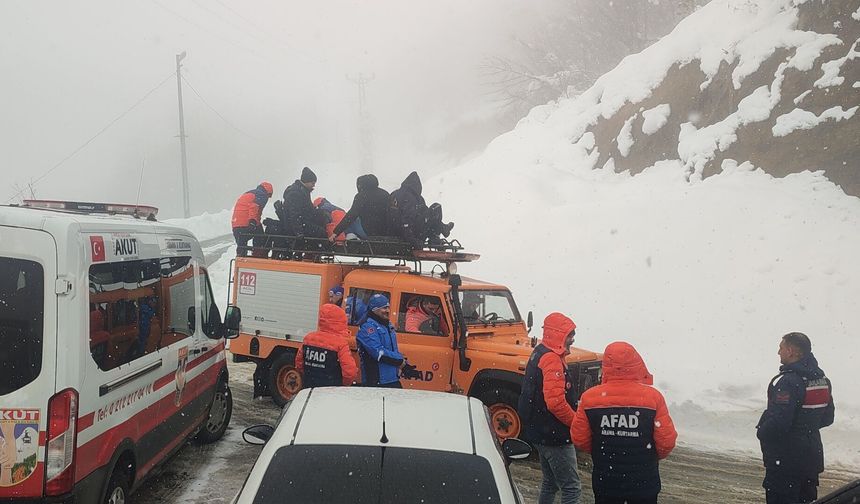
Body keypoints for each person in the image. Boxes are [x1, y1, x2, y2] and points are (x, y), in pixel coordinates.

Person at [571, 341, 677, 504]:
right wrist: (648, 456)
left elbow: (579, 438)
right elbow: (666, 442)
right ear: (636, 363)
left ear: (606, 365)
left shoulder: (589, 398)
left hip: (606, 480)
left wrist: (601, 451)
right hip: (644, 482)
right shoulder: (653, 397)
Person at [756, 332, 834, 504]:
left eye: (781, 348)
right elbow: (828, 418)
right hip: (810, 461)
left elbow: (779, 424)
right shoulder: (823, 381)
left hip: (785, 462)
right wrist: (806, 427)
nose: (778, 352)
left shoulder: (788, 382)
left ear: (791, 351)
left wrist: (761, 431)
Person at [517, 312, 581, 504]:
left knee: (550, 483)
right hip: (554, 435)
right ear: (559, 335)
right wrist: (576, 423)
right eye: (570, 334)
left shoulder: (539, 351)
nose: (573, 339)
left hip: (540, 430)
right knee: (571, 488)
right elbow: (555, 403)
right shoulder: (552, 359)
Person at [294, 304, 359, 388]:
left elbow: (299, 364)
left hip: (309, 388)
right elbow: (350, 372)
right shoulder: (340, 343)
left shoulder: (308, 339)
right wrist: (344, 384)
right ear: (341, 321)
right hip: (330, 390)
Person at [388, 171, 453, 248]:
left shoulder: (395, 194)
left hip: (393, 231)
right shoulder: (411, 197)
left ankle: (442, 228)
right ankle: (436, 235)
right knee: (436, 208)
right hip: (409, 233)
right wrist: (412, 239)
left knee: (426, 212)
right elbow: (407, 219)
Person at [356, 294, 407, 388]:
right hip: (376, 380)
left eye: (388, 307)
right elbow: (377, 352)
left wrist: (402, 363)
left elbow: (391, 349)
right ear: (374, 309)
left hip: (391, 379)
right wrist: (399, 360)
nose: (387, 311)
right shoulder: (367, 326)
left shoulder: (387, 325)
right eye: (384, 308)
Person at [330, 174, 390, 241]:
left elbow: (352, 214)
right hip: (385, 231)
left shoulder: (361, 196)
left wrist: (336, 232)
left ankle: (351, 237)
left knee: (351, 220)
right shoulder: (385, 194)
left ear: (361, 185)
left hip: (369, 232)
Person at [281, 167, 327, 239]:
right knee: (322, 233)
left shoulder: (303, 191)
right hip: (296, 227)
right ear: (307, 181)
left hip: (303, 222)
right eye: (313, 183)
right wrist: (299, 233)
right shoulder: (295, 194)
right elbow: (294, 214)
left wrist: (321, 213)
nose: (314, 185)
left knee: (322, 221)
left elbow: (308, 209)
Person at [231, 181, 274, 255]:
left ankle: (241, 259)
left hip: (236, 225)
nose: (268, 198)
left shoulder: (249, 193)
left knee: (242, 245)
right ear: (268, 192)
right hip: (247, 223)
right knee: (260, 236)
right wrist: (252, 221)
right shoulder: (262, 195)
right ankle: (257, 255)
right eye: (269, 195)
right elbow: (254, 207)